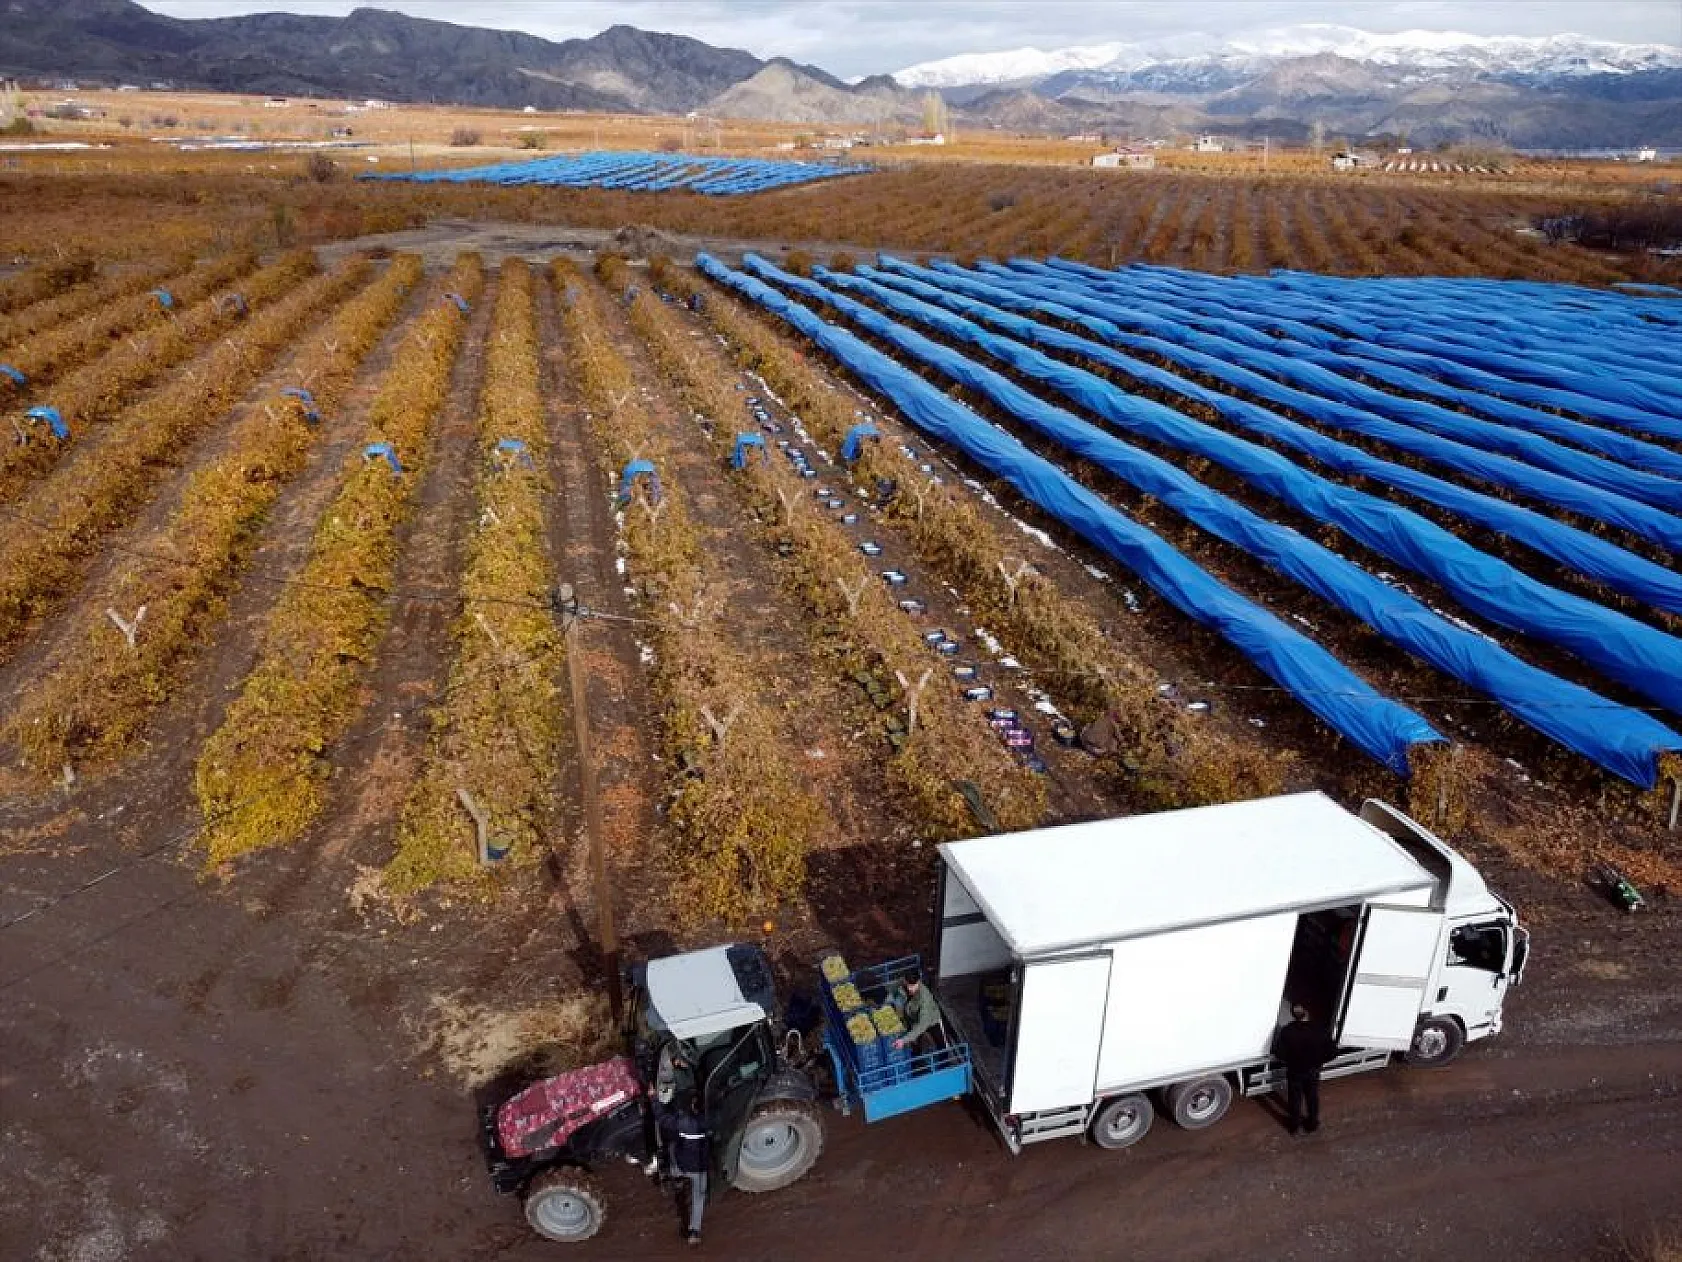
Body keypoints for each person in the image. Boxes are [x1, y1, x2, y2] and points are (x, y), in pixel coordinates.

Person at [1272, 1004, 1338, 1135]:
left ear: (1292, 1015)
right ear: (1307, 1013)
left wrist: (1290, 1061)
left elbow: (1279, 1053)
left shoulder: (1287, 1031)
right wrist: (1319, 1061)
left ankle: (1294, 1126)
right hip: (1313, 1070)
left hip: (1295, 1071)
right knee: (1312, 1097)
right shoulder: (1320, 1029)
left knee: (1295, 1099)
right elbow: (1333, 1052)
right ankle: (1312, 1124)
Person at [659, 1094, 710, 1246]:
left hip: (683, 1166)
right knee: (698, 1197)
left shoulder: (683, 1122)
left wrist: (654, 1099)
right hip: (700, 1167)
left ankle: (671, 1176)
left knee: (672, 1147)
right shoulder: (710, 1122)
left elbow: (662, 1118)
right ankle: (694, 1232)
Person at [889, 968, 944, 1056]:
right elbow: (892, 989)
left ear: (918, 981)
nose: (910, 989)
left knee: (940, 1043)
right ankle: (917, 1061)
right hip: (913, 1016)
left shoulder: (925, 999)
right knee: (916, 1043)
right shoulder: (903, 982)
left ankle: (945, 1062)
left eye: (913, 985)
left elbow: (922, 1025)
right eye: (908, 985)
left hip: (931, 1020)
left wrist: (904, 1040)